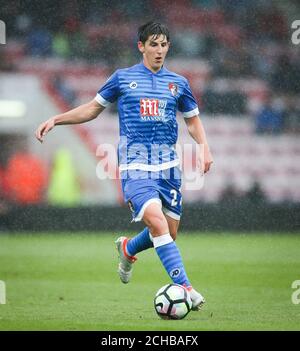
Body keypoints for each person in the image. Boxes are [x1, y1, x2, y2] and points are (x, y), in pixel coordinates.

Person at [35, 22, 213, 311]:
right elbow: (93, 108)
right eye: (153, 44)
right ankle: (186, 288)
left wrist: (204, 148)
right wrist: (57, 118)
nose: (159, 50)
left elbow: (192, 120)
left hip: (168, 167)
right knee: (156, 222)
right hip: (135, 164)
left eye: (163, 44)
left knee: (167, 232)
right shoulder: (122, 78)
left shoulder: (178, 83)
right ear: (141, 46)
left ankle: (129, 248)